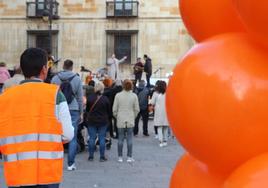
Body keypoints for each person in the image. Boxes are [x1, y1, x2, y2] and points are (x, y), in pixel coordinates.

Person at [0, 48, 74, 188]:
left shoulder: (4, 99)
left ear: (22, 69)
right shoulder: (56, 95)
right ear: (44, 69)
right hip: (47, 173)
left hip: (17, 174)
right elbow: (68, 134)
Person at [51, 59, 83, 171]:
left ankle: (55, 162)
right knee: (72, 137)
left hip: (58, 107)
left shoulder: (55, 78)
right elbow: (80, 97)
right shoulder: (77, 79)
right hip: (73, 108)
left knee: (55, 136)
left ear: (63, 66)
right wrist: (81, 112)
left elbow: (51, 96)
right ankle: (70, 164)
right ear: (71, 67)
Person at [113, 79, 140, 163]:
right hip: (130, 119)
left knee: (120, 138)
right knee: (129, 139)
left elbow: (114, 109)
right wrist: (133, 116)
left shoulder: (118, 95)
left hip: (120, 119)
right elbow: (137, 109)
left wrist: (117, 116)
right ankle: (129, 156)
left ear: (123, 85)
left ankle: (120, 157)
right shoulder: (134, 96)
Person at [86, 82, 110, 162]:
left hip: (92, 121)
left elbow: (87, 110)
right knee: (102, 138)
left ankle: (91, 156)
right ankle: (102, 157)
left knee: (92, 138)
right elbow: (108, 111)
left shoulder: (90, 98)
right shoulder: (105, 99)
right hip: (103, 121)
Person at [150, 81, 169, 147]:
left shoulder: (155, 93)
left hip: (158, 112)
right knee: (165, 127)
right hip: (166, 112)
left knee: (159, 127)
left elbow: (152, 103)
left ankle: (160, 141)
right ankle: (165, 141)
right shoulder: (168, 93)